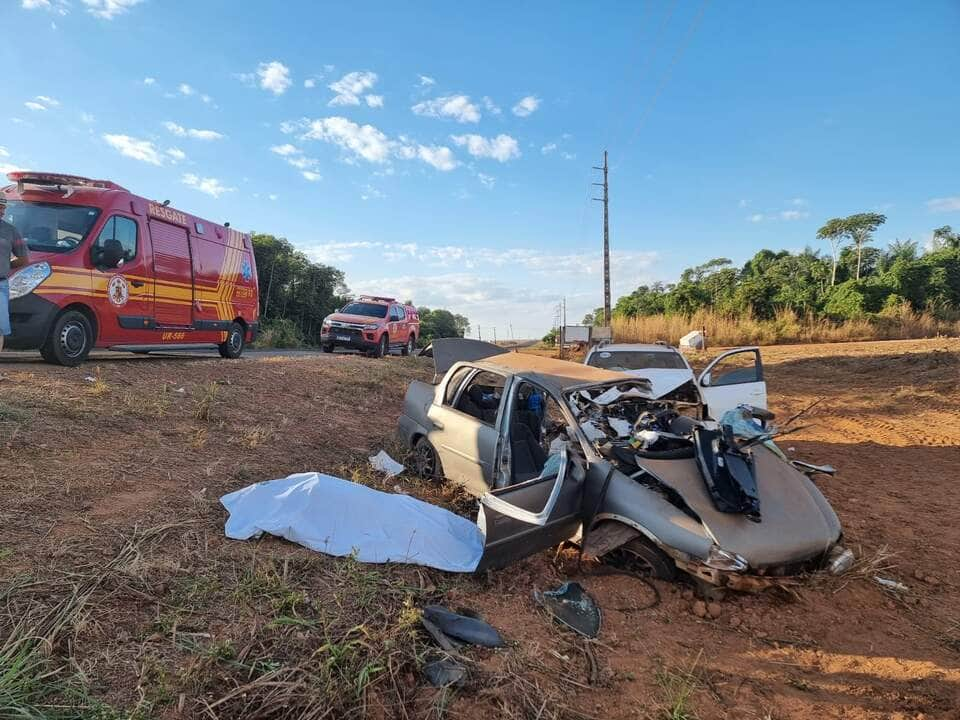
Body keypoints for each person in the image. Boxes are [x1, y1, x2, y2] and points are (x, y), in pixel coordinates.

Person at [0, 198, 30, 351]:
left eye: (3, 207)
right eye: (0, 206)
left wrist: (6, 265)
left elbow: (24, 258)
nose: (2, 211)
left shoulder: (11, 231)